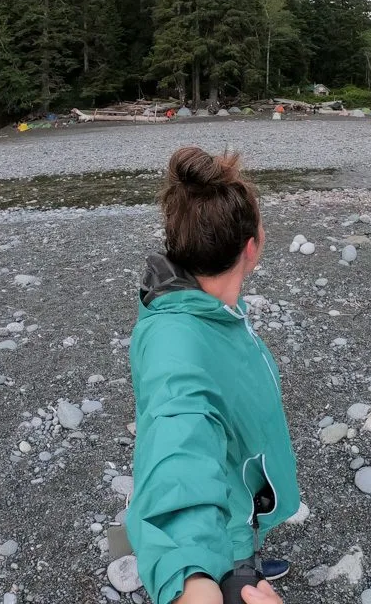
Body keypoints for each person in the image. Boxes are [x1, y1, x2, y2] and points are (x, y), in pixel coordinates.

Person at [126, 146, 300, 604]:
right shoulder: (176, 344)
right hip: (223, 506)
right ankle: (239, 569)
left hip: (239, 471)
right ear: (251, 247)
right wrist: (194, 587)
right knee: (234, 547)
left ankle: (251, 558)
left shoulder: (207, 306)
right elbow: (178, 442)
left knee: (246, 528)